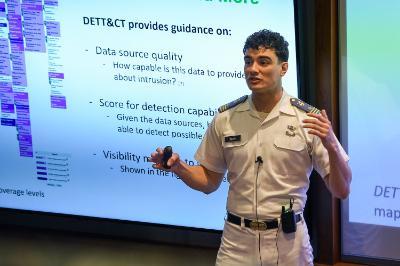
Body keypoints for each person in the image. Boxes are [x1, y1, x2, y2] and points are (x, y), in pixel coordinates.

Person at [149, 29, 352, 266]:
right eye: (248, 61)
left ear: (283, 68)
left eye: (263, 62)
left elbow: (342, 189)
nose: (252, 69)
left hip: (289, 244)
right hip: (237, 244)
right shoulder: (226, 118)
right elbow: (209, 181)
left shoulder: (307, 119)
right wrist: (179, 167)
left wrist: (332, 146)